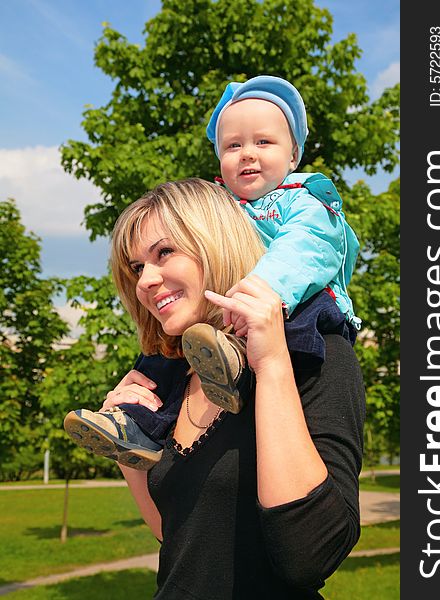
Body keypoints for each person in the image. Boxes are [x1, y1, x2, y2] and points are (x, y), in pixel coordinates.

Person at [71, 179, 366, 599]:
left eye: (164, 252)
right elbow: (179, 540)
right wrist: (129, 452)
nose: (145, 281)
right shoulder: (174, 380)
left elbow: (309, 557)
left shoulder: (317, 356)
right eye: (137, 267)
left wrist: (271, 365)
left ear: (217, 243)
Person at [64, 75, 360, 468]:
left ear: (294, 156)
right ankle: (138, 426)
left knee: (292, 324)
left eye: (263, 142)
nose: (247, 154)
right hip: (233, 312)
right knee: (161, 355)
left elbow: (306, 248)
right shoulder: (224, 208)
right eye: (233, 145)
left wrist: (261, 289)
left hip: (299, 304)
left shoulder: (304, 200)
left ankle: (237, 366)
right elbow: (175, 531)